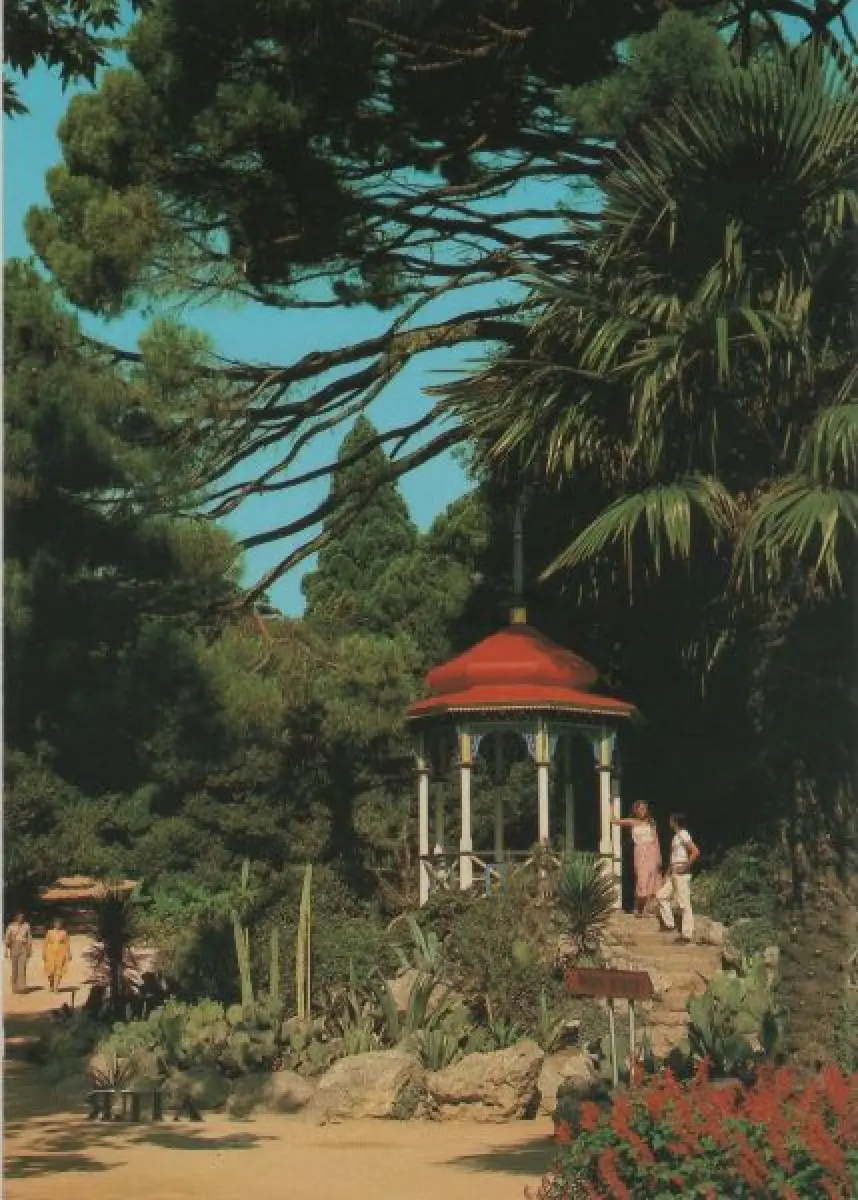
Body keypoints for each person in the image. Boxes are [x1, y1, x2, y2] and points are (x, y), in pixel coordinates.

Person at [611, 801, 663, 917]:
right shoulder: (632, 822)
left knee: (651, 879)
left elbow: (656, 840)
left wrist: (659, 856)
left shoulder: (651, 822)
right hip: (639, 852)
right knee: (641, 879)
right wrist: (610, 805)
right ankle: (637, 907)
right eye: (641, 809)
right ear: (636, 810)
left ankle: (645, 909)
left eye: (645, 809)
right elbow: (614, 821)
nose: (643, 811)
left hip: (651, 852)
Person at [656, 813, 700, 942]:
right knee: (661, 896)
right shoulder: (676, 836)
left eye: (671, 820)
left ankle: (687, 934)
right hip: (674, 871)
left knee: (684, 903)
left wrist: (685, 867)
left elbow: (695, 851)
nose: (669, 822)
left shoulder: (684, 834)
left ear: (675, 822)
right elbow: (673, 857)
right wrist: (667, 874)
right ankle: (670, 924)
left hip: (681, 872)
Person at [5, 912, 33, 993]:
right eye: (19, 917)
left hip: (23, 947)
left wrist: (29, 949)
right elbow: (7, 938)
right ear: (16, 917)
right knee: (15, 969)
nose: (21, 918)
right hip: (14, 946)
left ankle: (22, 987)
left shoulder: (26, 925)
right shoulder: (11, 926)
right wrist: (6, 951)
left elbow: (29, 937)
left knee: (22, 968)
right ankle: (14, 987)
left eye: (22, 917)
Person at [43, 917, 72, 993]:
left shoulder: (64, 933)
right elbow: (45, 943)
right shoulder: (49, 932)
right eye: (56, 923)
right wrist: (44, 953)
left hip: (61, 953)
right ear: (54, 924)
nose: (58, 925)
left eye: (59, 923)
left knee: (59, 971)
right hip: (50, 953)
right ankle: (51, 984)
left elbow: (67, 943)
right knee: (51, 971)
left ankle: (56, 987)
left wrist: (69, 953)